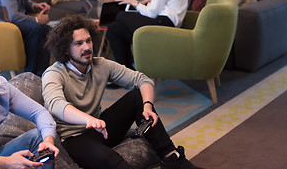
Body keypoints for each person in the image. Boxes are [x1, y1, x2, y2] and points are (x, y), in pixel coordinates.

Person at [42, 14, 200, 169]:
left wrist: (147, 106)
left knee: (137, 97)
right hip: (75, 139)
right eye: (78, 44)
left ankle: (171, 157)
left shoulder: (101, 65)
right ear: (65, 49)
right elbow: (56, 105)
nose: (87, 47)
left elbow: (142, 80)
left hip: (101, 129)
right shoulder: (54, 74)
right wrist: (88, 120)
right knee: (110, 159)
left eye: (88, 41)